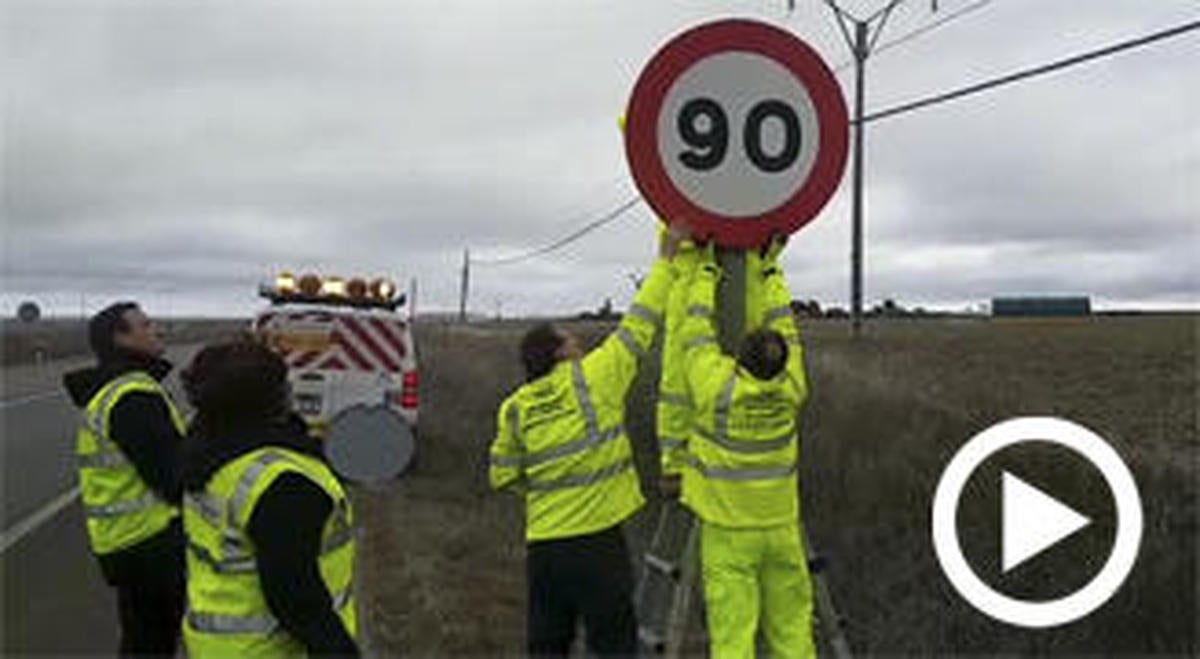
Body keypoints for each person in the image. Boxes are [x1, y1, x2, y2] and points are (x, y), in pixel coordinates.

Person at [488, 226, 686, 658]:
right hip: (597, 544)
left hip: (544, 548)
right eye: (571, 338)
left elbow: (502, 476)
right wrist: (667, 259)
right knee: (614, 644)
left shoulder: (515, 408)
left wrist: (546, 492)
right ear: (559, 352)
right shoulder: (595, 378)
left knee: (546, 645)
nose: (579, 341)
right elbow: (642, 321)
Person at [671, 239, 815, 659]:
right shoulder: (792, 387)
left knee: (733, 639)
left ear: (739, 357)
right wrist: (770, 270)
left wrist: (704, 271)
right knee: (792, 633)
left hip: (729, 533)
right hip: (782, 529)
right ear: (783, 362)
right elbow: (786, 325)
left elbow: (694, 329)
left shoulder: (717, 388)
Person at [178, 338, 359, 657]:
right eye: (283, 383)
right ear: (270, 398)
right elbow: (294, 595)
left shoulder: (209, 453)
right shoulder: (283, 484)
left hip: (217, 644)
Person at [62, 302, 186, 656]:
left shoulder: (114, 389)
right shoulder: (132, 396)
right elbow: (172, 476)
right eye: (145, 324)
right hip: (152, 541)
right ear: (121, 338)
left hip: (127, 541)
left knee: (142, 640)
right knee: (151, 644)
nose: (156, 328)